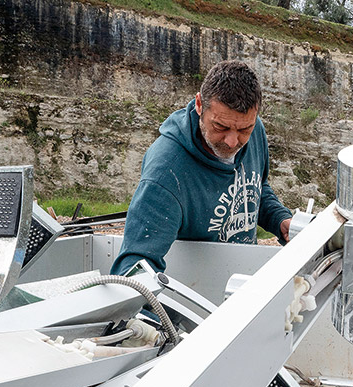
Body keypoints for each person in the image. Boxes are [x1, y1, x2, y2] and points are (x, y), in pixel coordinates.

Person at [112, 60, 292, 276]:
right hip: (192, 296)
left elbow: (254, 189)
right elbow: (134, 267)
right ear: (199, 104)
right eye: (220, 126)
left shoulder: (255, 131)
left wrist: (281, 219)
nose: (232, 141)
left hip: (241, 285)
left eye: (245, 129)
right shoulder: (166, 173)